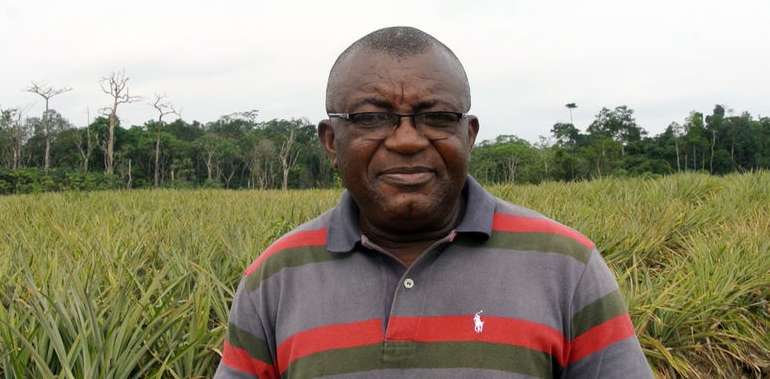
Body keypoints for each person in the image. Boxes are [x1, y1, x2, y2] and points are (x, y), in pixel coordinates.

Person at [214, 26, 653, 378]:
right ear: (331, 142)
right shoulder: (273, 280)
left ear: (469, 134)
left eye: (437, 117)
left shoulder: (567, 268)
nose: (406, 140)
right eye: (371, 118)